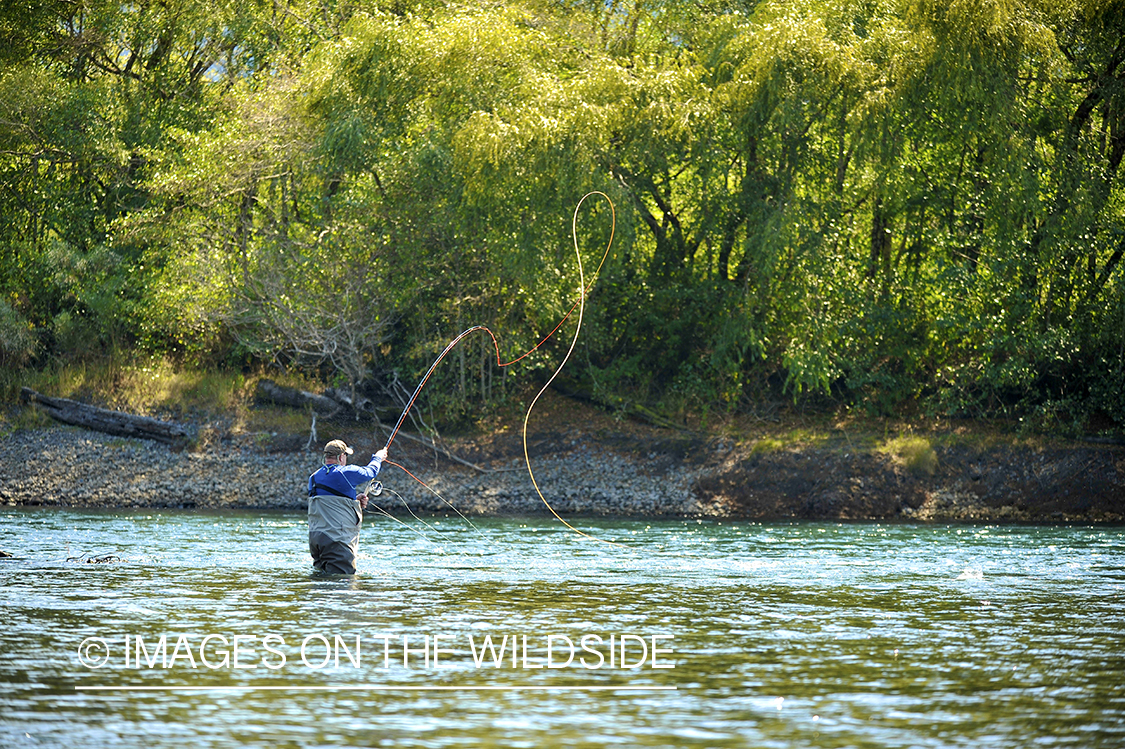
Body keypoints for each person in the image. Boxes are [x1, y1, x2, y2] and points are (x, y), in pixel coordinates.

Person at [307, 439, 387, 574]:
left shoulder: (313, 478)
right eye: (346, 455)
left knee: (320, 584)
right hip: (337, 541)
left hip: (316, 541)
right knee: (342, 585)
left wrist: (353, 502)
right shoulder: (346, 472)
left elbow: (328, 503)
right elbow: (370, 472)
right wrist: (378, 457)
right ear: (340, 457)